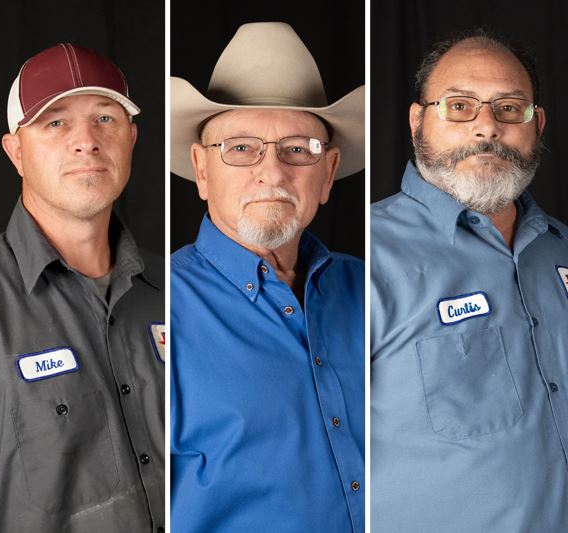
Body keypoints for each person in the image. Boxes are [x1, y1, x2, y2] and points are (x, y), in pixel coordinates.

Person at [170, 23, 365, 533]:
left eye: (299, 149)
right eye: (240, 148)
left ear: (328, 173)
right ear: (201, 169)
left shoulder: (370, 291)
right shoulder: (158, 307)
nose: (273, 172)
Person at [371, 30, 568, 532]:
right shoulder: (363, 259)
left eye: (509, 108)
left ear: (536, 123)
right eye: (459, 107)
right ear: (418, 121)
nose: (486, 128)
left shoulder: (562, 248)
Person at [0, 43, 164, 533]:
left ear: (132, 139)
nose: (87, 141)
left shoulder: (179, 290)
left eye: (106, 118)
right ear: (16, 151)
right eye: (55, 122)